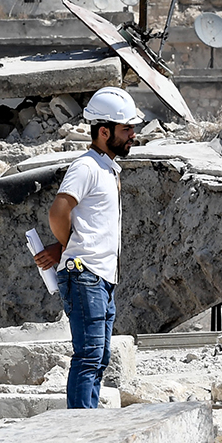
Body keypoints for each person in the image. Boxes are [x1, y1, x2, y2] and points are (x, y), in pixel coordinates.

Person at [31, 86, 146, 409]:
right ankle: (79, 433)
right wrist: (69, 247)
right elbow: (58, 212)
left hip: (100, 278)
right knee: (90, 356)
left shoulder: (107, 168)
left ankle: (87, 424)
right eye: (126, 129)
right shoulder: (86, 167)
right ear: (104, 131)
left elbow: (87, 224)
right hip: (86, 276)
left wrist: (63, 246)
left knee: (99, 356)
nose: (132, 135)